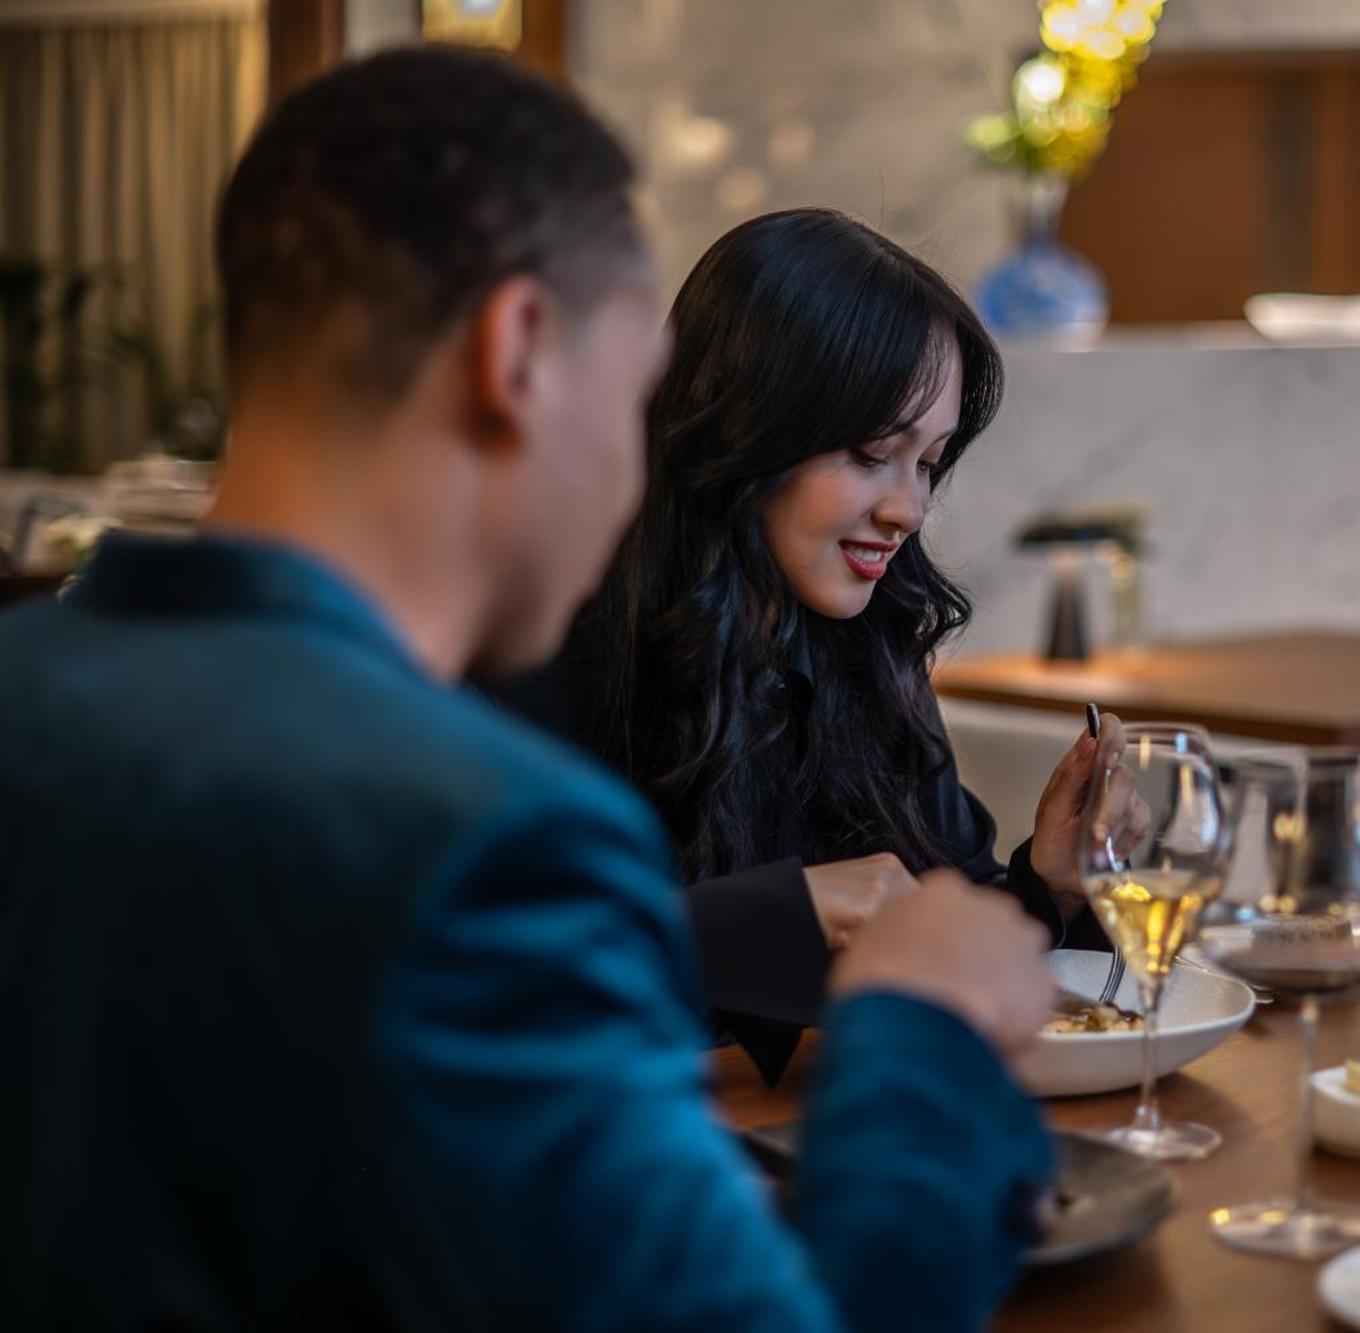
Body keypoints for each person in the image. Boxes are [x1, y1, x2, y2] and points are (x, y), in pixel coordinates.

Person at [0, 48, 1055, 1329]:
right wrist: (921, 1036)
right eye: (631, 400)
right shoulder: (479, 839)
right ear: (517, 356)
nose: (636, 472)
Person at [534, 208, 1112, 1080]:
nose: (908, 510)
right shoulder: (555, 637)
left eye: (928, 463)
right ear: (743, 427)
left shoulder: (869, 644)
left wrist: (1051, 884)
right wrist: (776, 914)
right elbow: (493, 974)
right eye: (874, 451)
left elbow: (938, 926)